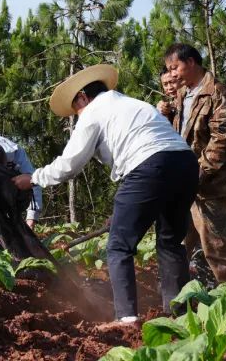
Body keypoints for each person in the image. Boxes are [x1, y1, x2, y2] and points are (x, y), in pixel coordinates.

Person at [12, 64, 198, 323]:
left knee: (119, 247)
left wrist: (32, 178)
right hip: (185, 164)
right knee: (170, 243)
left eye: (75, 109)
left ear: (83, 97)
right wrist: (122, 213)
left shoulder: (92, 113)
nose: (76, 116)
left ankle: (126, 320)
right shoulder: (131, 104)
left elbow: (69, 165)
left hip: (150, 165)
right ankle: (180, 316)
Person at [164, 43, 226, 283]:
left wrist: (197, 173)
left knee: (218, 246)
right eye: (169, 70)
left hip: (210, 185)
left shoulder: (218, 94)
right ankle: (178, 297)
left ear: (191, 62)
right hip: (187, 181)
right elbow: (181, 133)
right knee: (179, 241)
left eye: (175, 68)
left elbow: (223, 140)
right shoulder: (183, 94)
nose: (172, 74)